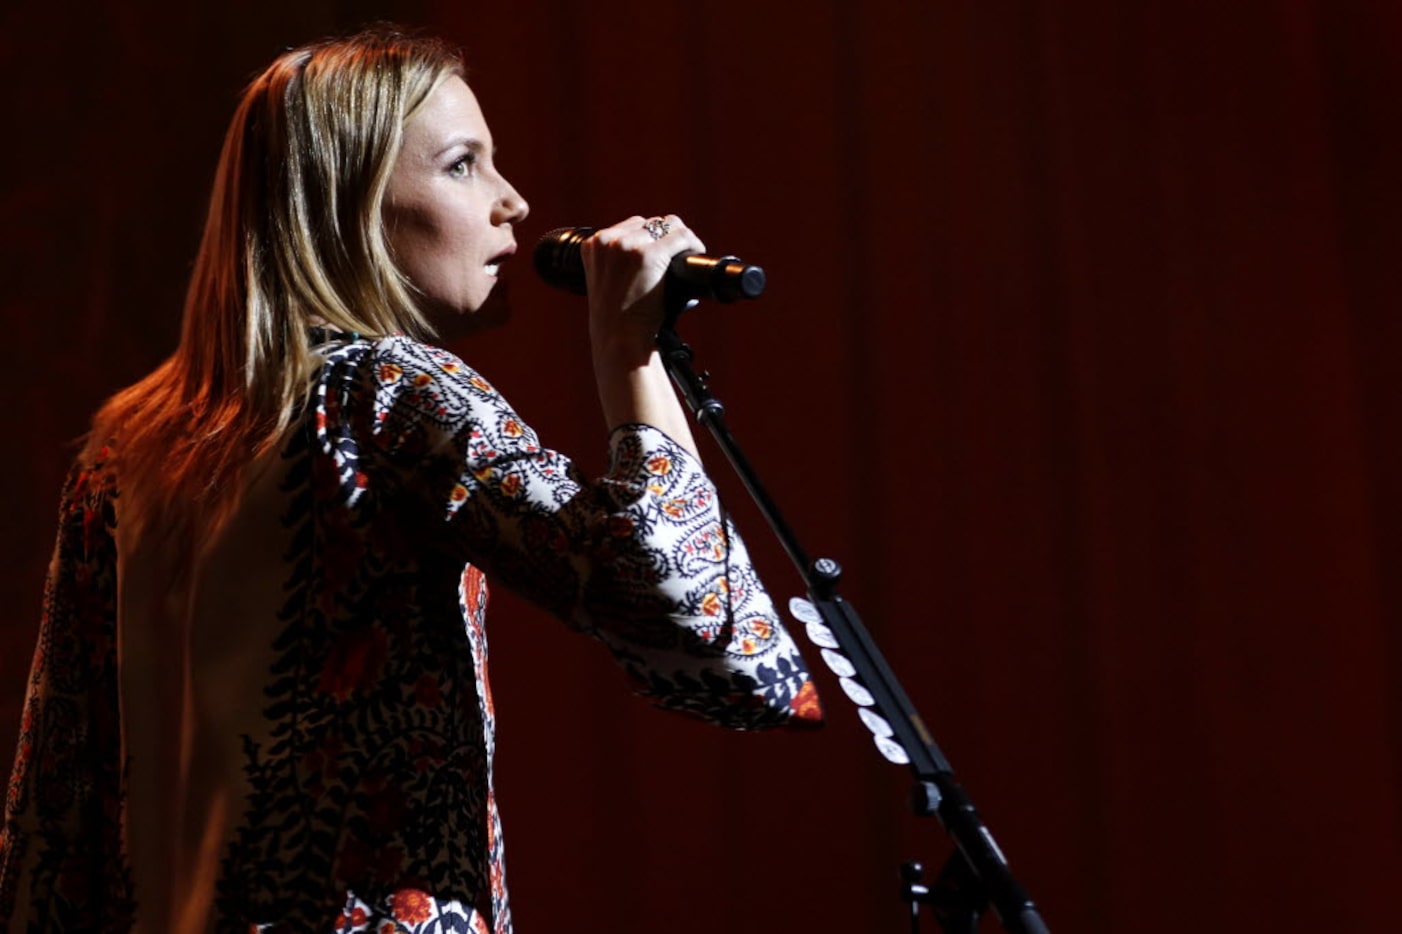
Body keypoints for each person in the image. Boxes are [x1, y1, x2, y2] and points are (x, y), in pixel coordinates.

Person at [0, 25, 821, 934]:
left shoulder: (125, 444)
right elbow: (715, 638)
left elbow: (52, 815)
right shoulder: (390, 390)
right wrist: (630, 351)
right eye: (464, 165)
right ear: (347, 203)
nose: (514, 202)